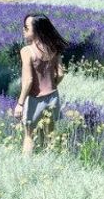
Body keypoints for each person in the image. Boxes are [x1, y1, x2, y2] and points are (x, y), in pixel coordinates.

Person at [13, 13, 68, 154]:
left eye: (26, 28)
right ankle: (48, 161)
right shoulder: (53, 47)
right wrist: (52, 85)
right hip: (53, 97)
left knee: (29, 136)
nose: (23, 30)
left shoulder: (27, 51)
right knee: (49, 135)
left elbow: (28, 80)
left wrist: (20, 104)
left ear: (36, 30)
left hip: (35, 100)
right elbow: (61, 73)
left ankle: (26, 167)